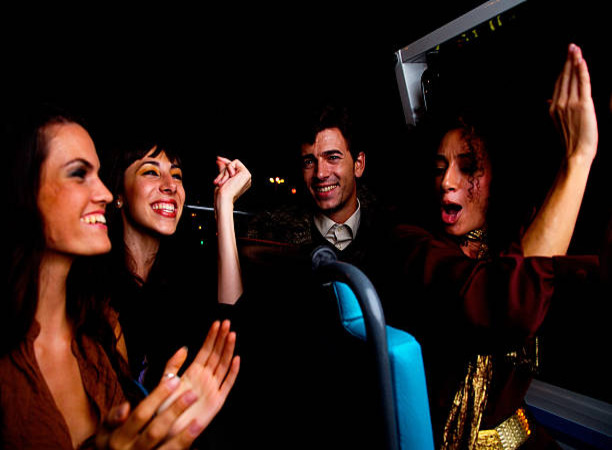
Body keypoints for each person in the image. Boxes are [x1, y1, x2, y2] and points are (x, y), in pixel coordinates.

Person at [380, 43, 602, 449]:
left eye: (468, 168)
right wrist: (578, 159)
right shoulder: (409, 247)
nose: (447, 181)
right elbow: (502, 299)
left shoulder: (509, 241)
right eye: (439, 167)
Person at [1, 104, 240, 449]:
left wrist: (225, 209)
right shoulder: (99, 305)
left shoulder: (97, 329)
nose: (101, 191)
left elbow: (230, 326)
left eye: (177, 174)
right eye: (78, 174)